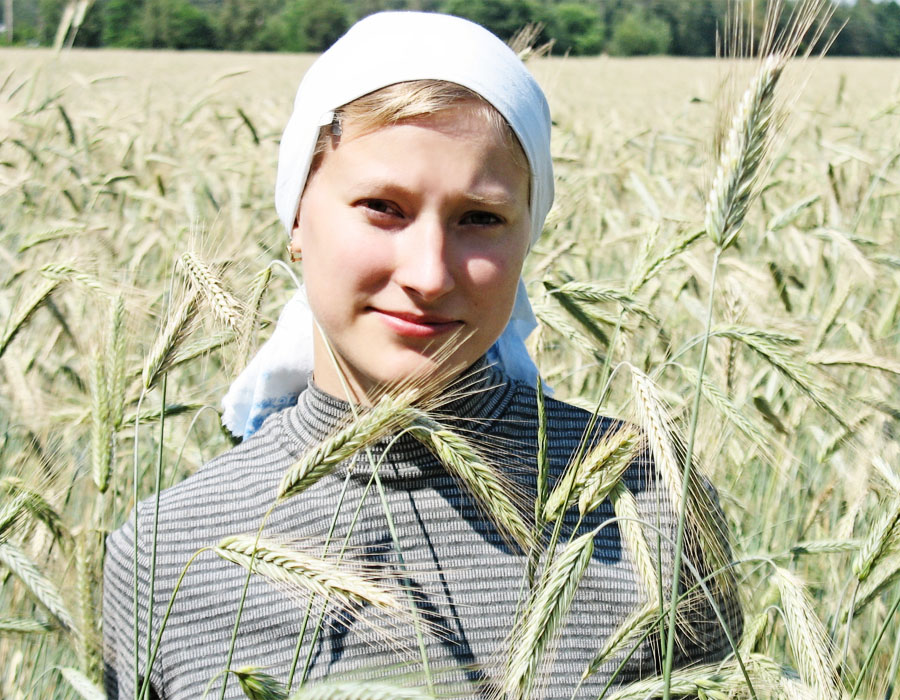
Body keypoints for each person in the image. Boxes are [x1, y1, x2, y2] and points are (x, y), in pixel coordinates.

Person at [102, 11, 740, 700]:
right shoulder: (170, 550)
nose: (430, 274)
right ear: (295, 217)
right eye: (383, 206)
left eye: (480, 218)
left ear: (529, 233)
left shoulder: (647, 500)